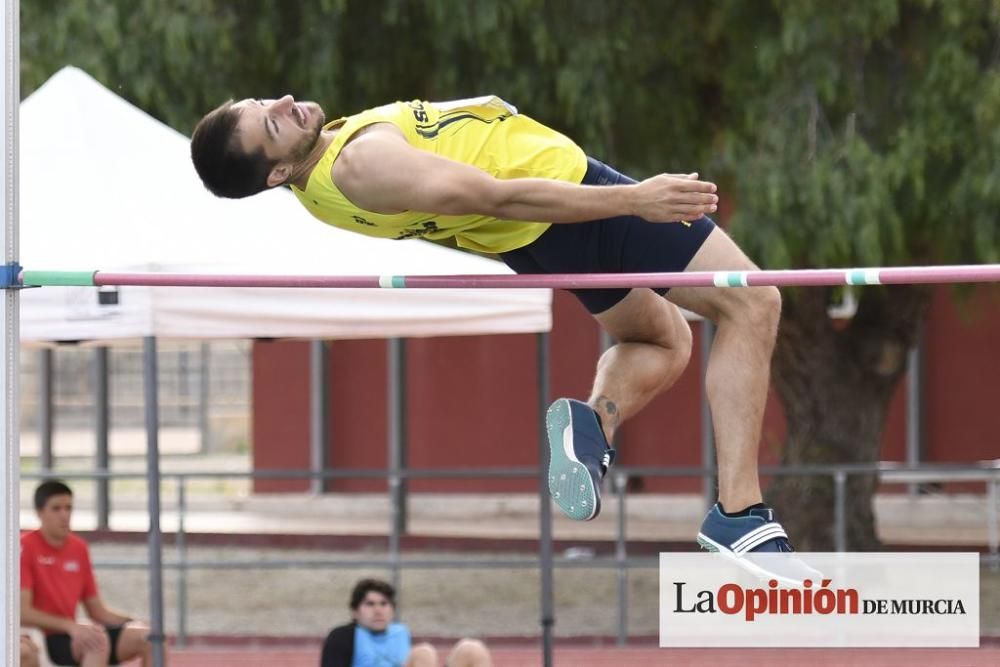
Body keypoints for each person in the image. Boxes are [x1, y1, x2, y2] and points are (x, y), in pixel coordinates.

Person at [191, 93, 813, 576]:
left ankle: (592, 423)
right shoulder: (357, 162)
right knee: (753, 305)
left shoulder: (323, 170)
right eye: (271, 125)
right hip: (568, 205)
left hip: (544, 235)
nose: (281, 104)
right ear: (275, 174)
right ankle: (739, 512)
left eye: (263, 102)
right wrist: (633, 201)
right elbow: (496, 197)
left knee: (663, 341)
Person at [21, 480, 161, 667]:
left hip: (72, 633)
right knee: (96, 641)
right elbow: (22, 613)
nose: (64, 515)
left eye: (68, 508)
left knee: (153, 638)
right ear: (39, 513)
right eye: (56, 509)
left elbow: (97, 610)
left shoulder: (79, 548)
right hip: (43, 635)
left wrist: (134, 621)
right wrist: (71, 626)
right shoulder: (24, 547)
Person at [320, 578, 492, 667]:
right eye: (370, 604)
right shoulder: (342, 636)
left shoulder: (400, 633)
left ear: (392, 610)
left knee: (471, 649)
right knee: (424, 652)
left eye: (384, 604)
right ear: (355, 612)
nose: (378, 610)